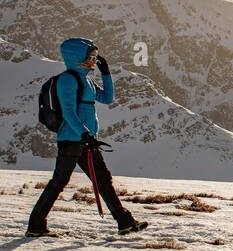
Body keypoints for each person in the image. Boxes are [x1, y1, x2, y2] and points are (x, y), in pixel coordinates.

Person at [27, 37, 147, 237]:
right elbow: (68, 113)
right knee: (59, 182)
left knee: (103, 180)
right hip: (72, 140)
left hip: (86, 140)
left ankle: (125, 222)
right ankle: (35, 225)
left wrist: (106, 73)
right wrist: (84, 134)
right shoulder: (68, 80)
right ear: (76, 57)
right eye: (90, 57)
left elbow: (107, 99)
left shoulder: (87, 81)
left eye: (95, 57)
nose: (94, 60)